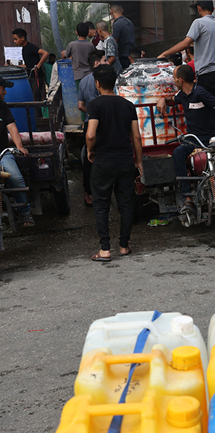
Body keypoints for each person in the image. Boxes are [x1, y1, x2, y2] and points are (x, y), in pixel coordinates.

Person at [156, 65, 215, 214]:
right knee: (178, 153)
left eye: (174, 78)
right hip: (192, 139)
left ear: (181, 80)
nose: (173, 81)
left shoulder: (201, 93)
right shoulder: (182, 94)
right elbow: (172, 97)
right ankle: (187, 199)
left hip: (211, 139)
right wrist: (162, 99)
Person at [85, 65, 142, 261]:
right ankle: (124, 246)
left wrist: (91, 151)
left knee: (101, 205)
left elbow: (91, 134)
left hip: (103, 161)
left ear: (97, 83)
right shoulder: (128, 105)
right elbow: (136, 136)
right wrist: (139, 161)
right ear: (115, 82)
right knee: (126, 204)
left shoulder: (95, 105)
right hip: (125, 161)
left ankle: (105, 249)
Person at [158, 0, 215, 98]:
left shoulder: (199, 23)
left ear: (199, 9)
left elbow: (186, 43)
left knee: (205, 109)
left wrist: (164, 53)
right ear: (213, 9)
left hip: (207, 75)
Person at [0, 75, 33, 227]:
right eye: (3, 88)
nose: (5, 92)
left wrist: (19, 147)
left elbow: (12, 127)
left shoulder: (2, 106)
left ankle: (25, 213)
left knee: (16, 178)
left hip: (3, 153)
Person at [78, 49, 108, 207]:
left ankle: (88, 193)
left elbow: (80, 106)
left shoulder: (83, 81)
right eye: (104, 60)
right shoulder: (106, 80)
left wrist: (91, 112)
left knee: (89, 160)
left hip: (90, 122)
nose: (107, 62)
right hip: (106, 123)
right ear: (96, 63)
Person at [11, 28, 49, 100]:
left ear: (22, 38)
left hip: (36, 77)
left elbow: (45, 53)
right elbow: (27, 65)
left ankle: (38, 111)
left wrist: (38, 65)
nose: (14, 41)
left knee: (36, 99)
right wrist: (14, 66)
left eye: (16, 39)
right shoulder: (24, 49)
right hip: (30, 77)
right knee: (32, 98)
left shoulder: (30, 47)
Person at [62, 23, 93, 90]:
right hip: (89, 74)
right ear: (87, 33)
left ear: (76, 32)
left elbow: (64, 56)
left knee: (81, 96)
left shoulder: (72, 45)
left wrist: (63, 53)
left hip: (78, 75)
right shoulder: (90, 45)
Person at [110, 2, 136, 71]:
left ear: (111, 11)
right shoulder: (129, 22)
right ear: (122, 10)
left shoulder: (117, 24)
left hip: (124, 56)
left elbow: (114, 41)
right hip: (133, 55)